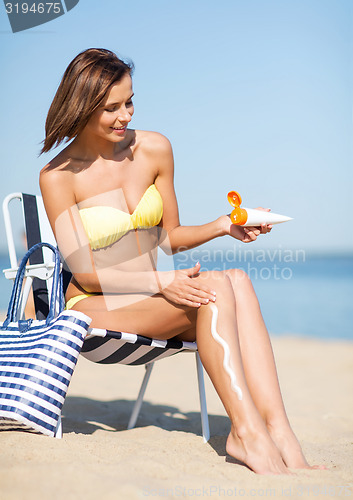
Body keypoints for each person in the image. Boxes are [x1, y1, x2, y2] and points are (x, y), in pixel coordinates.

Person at [39, 48, 322, 475]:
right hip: (94, 302)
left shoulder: (153, 148)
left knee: (237, 280)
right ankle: (247, 432)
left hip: (148, 292)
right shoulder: (60, 175)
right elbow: (84, 271)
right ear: (81, 106)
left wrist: (224, 225)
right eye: (111, 108)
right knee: (216, 291)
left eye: (129, 102)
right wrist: (158, 281)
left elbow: (168, 237)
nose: (124, 116)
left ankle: (277, 429)